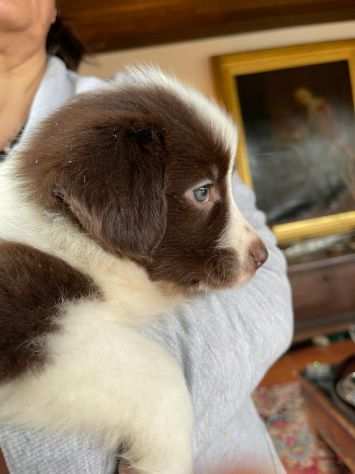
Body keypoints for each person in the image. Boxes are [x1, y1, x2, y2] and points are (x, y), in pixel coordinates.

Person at [0, 1, 293, 473]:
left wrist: (153, 400)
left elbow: (265, 305)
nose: (248, 241)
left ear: (53, 10)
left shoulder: (157, 114)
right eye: (204, 192)